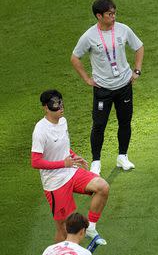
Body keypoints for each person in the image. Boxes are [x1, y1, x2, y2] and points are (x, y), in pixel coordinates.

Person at [71, 0, 144, 175]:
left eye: (114, 13)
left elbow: (139, 47)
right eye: (109, 14)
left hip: (124, 85)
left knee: (125, 121)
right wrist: (87, 79)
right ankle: (96, 161)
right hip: (103, 89)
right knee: (99, 124)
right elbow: (74, 58)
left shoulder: (123, 29)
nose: (113, 17)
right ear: (99, 16)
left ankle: (123, 156)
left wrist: (137, 71)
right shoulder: (89, 36)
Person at [31, 90, 110, 246]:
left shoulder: (63, 121)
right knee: (65, 229)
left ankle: (91, 228)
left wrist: (74, 156)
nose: (60, 107)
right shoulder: (40, 130)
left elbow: (63, 148)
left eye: (61, 102)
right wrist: (63, 163)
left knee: (103, 187)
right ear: (46, 108)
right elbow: (35, 161)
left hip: (71, 172)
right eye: (55, 104)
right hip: (55, 183)